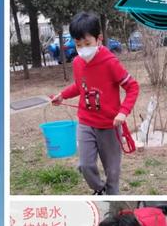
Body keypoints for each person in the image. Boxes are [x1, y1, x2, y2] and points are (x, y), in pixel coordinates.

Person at [52, 11, 139, 195]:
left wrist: (123, 112)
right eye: (78, 45)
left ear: (99, 39)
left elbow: (132, 87)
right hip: (86, 123)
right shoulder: (77, 62)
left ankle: (112, 194)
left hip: (110, 126)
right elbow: (80, 86)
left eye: (87, 43)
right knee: (85, 164)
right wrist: (62, 95)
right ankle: (100, 189)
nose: (83, 49)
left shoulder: (110, 62)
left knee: (112, 172)